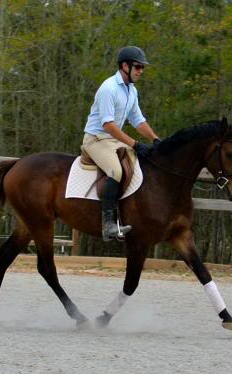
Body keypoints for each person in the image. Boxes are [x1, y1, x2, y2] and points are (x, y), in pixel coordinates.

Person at [82, 46, 161, 241]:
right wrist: (134, 144)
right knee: (116, 171)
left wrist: (155, 138)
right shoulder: (108, 88)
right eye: (137, 67)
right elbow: (108, 125)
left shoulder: (131, 90)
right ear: (124, 66)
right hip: (96, 139)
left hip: (113, 140)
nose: (140, 71)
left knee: (141, 166)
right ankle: (108, 224)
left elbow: (138, 120)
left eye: (142, 68)